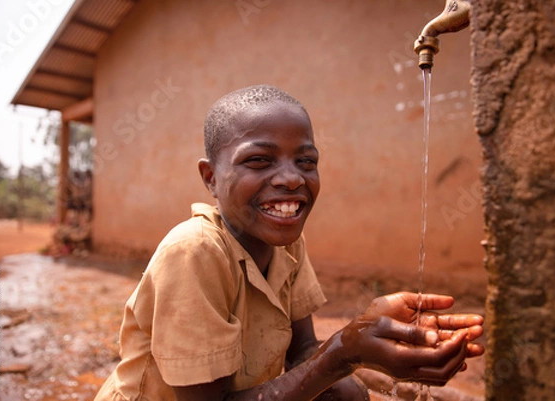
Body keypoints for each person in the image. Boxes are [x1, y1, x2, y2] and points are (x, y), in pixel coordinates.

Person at [95, 85, 484, 401]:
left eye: (306, 161)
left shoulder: (286, 243)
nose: (292, 179)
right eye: (260, 161)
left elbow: (301, 352)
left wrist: (380, 352)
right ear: (211, 177)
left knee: (346, 394)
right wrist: (344, 351)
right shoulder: (195, 252)